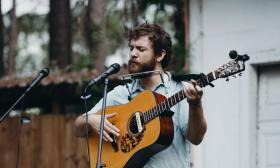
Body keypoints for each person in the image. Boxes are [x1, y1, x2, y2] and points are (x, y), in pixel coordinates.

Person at [75, 23, 207, 168]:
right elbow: (78, 128)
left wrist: (195, 105)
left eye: (140, 49)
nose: (132, 53)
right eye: (131, 48)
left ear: (160, 55)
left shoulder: (180, 90)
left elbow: (196, 138)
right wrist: (90, 119)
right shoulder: (121, 93)